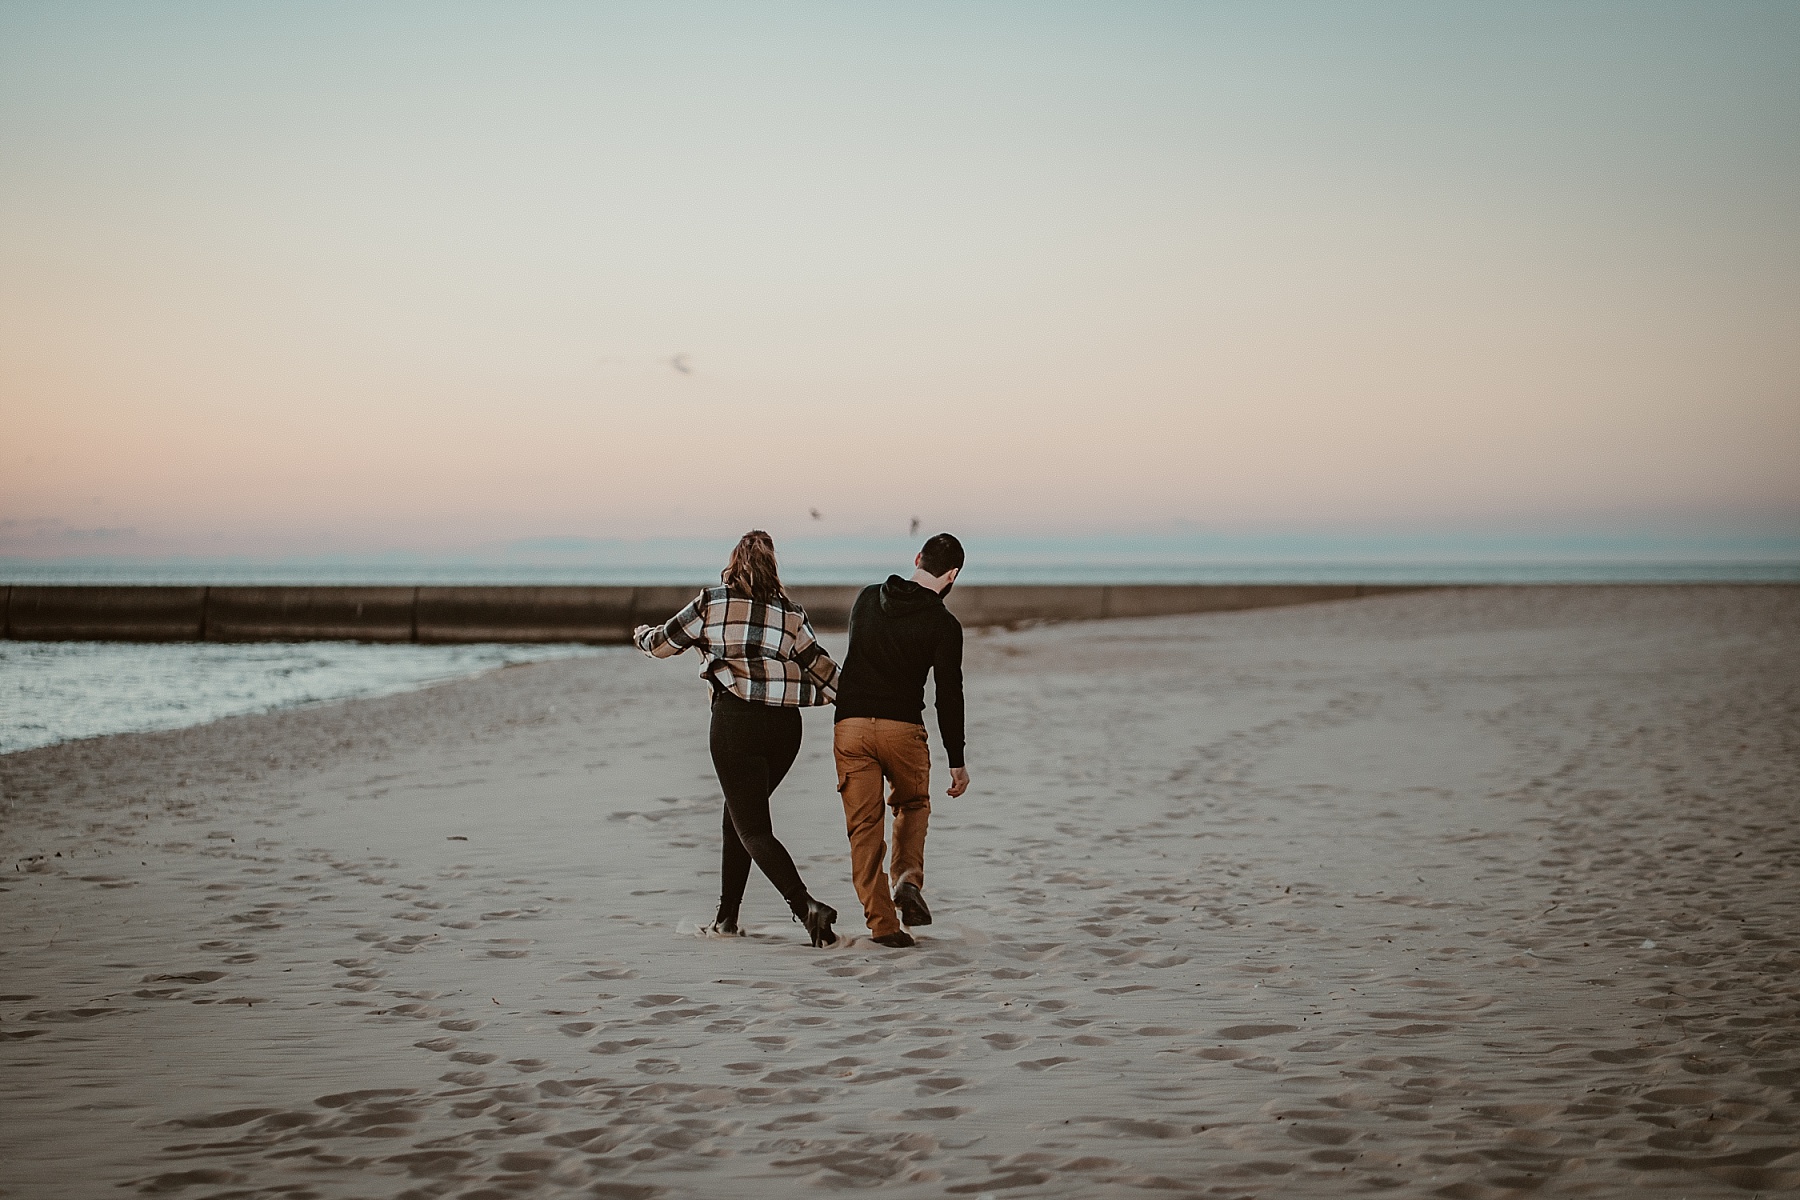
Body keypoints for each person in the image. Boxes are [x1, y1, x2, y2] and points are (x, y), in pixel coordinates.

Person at [633, 530, 843, 948]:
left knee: (752, 828)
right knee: (738, 817)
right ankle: (726, 919)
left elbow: (662, 644)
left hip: (736, 725)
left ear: (733, 565)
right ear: (772, 568)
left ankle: (807, 909)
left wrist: (641, 634)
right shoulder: (791, 613)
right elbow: (825, 670)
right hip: (785, 730)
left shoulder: (712, 602)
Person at [831, 533, 970, 948]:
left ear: (917, 559)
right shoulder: (944, 624)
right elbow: (949, 694)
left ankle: (884, 927)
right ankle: (907, 881)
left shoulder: (866, 598)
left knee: (863, 828)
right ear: (952, 575)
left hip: (851, 725)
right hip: (902, 729)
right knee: (911, 804)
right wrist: (956, 759)